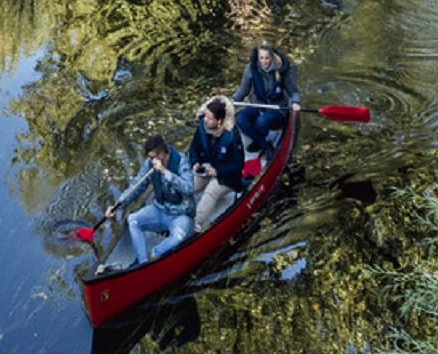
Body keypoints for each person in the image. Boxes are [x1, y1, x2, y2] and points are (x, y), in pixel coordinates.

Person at [105, 133, 194, 264]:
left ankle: (154, 254)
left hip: (181, 214)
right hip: (160, 209)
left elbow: (188, 188)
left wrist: (165, 172)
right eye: (149, 157)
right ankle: (143, 262)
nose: (150, 160)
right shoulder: (150, 164)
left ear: (161, 154)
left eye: (152, 157)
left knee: (178, 236)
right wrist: (118, 205)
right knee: (133, 220)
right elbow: (137, 185)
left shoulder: (181, 162)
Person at [187, 94, 245, 229]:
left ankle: (196, 222)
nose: (205, 120)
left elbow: (238, 164)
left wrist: (218, 171)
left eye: (209, 118)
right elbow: (194, 148)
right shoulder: (202, 127)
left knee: (211, 191)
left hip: (227, 177)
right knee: (190, 186)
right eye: (205, 116)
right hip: (207, 169)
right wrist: (195, 162)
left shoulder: (232, 135)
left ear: (219, 121)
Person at [234, 43, 301, 151]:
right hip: (257, 105)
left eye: (267, 58)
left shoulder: (281, 70)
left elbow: (293, 92)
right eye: (261, 58)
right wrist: (233, 100)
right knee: (240, 119)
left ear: (272, 57)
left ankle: (259, 141)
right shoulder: (251, 69)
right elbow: (243, 90)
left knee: (262, 121)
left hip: (277, 109)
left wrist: (295, 102)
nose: (264, 61)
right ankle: (264, 144)